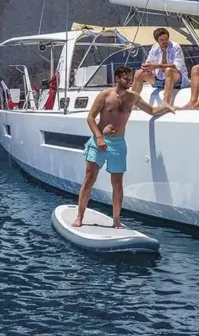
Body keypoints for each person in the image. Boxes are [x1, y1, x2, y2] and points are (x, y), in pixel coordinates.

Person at [73, 67, 175, 229]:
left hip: (118, 144)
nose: (129, 81)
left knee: (118, 184)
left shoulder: (133, 97)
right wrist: (99, 137)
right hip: (99, 141)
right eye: (126, 78)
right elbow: (90, 118)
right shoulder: (105, 95)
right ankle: (79, 217)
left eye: (130, 78)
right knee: (89, 179)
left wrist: (166, 107)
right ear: (117, 78)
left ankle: (116, 220)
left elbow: (152, 110)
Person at [132, 27, 190, 107]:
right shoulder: (154, 48)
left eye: (166, 39)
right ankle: (132, 102)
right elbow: (149, 61)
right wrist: (147, 67)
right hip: (159, 79)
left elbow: (177, 66)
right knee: (139, 72)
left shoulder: (176, 47)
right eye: (162, 40)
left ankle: (166, 103)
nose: (165, 42)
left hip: (176, 80)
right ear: (157, 41)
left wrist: (157, 66)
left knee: (168, 70)